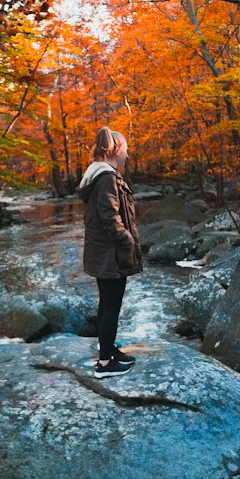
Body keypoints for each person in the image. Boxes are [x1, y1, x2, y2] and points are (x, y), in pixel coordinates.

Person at [78, 125, 143, 375]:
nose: (127, 155)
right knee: (111, 305)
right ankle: (105, 364)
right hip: (110, 255)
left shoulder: (101, 175)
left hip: (104, 254)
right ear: (115, 150)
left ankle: (108, 349)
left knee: (107, 303)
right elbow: (109, 217)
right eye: (125, 150)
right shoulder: (106, 177)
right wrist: (127, 241)